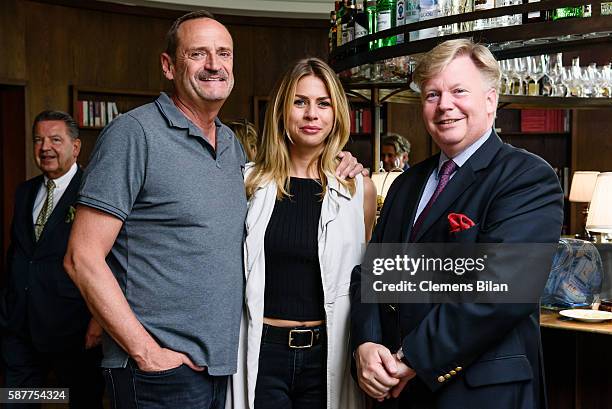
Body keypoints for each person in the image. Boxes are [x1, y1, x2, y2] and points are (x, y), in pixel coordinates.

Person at [63, 10, 362, 409]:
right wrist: (147, 353)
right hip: (160, 368)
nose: (213, 65)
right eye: (198, 54)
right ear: (169, 65)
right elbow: (82, 257)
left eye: (223, 53)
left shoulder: (231, 150)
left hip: (221, 368)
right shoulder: (135, 134)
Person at [350, 39, 564, 409]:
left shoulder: (526, 177)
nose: (444, 105)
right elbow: (374, 273)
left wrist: (408, 359)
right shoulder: (405, 184)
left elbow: (497, 292)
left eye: (458, 91)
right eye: (432, 94)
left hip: (480, 393)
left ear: (490, 100)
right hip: (400, 392)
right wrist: (366, 344)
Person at [227, 58, 376, 409]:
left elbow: (363, 281)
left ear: (336, 114)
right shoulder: (247, 183)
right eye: (300, 102)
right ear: (282, 111)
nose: (312, 114)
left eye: (323, 104)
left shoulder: (358, 191)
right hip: (264, 353)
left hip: (329, 353)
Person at [0, 111, 104, 409]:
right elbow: (19, 254)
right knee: (16, 400)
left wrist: (99, 320)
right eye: (38, 140)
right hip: (20, 326)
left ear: (75, 147)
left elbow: (111, 260)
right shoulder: (25, 191)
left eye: (55, 140)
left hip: (74, 327)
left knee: (81, 400)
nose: (45, 147)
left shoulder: (93, 192)